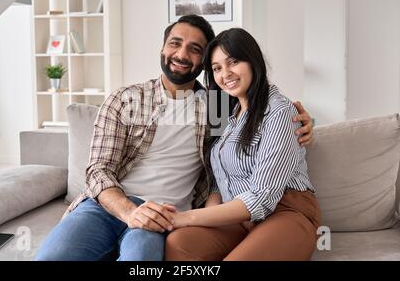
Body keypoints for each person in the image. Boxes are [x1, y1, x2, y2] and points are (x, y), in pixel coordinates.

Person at [34, 16, 314, 261]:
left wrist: (304, 120)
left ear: (201, 61)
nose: (181, 54)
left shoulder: (217, 105)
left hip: (165, 212)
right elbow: (97, 171)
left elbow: (264, 110)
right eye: (175, 43)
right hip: (109, 207)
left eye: (195, 49)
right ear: (162, 48)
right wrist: (131, 213)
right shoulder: (125, 99)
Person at [164, 28, 321, 261]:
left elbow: (262, 196)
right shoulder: (228, 112)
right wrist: (206, 220)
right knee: (179, 244)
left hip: (285, 210)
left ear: (253, 60)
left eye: (233, 62)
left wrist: (186, 218)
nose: (225, 73)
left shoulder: (280, 111)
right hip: (238, 216)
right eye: (216, 68)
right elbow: (219, 183)